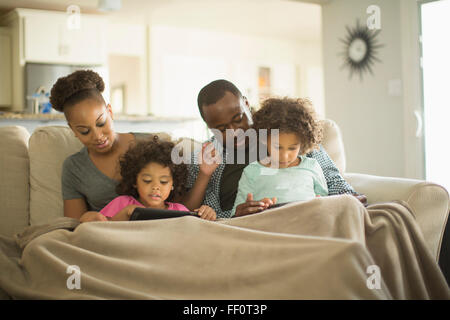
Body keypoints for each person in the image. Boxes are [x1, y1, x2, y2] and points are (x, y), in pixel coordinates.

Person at [182, 79, 367, 219]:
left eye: (238, 119)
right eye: (221, 129)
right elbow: (190, 213)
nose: (234, 132)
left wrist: (348, 198)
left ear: (246, 104)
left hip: (304, 216)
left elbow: (333, 180)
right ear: (208, 125)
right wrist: (235, 215)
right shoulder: (205, 157)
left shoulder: (285, 130)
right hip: (242, 229)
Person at [50, 70, 153, 223]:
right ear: (73, 130)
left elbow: (178, 207)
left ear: (110, 112)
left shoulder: (148, 145)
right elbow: (74, 227)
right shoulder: (74, 167)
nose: (97, 136)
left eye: (101, 123)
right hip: (105, 237)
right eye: (84, 131)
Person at [232, 97, 328, 216]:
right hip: (269, 225)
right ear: (263, 139)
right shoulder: (251, 171)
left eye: (292, 148)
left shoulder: (312, 166)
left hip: (306, 222)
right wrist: (248, 210)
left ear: (303, 144)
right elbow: (236, 213)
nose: (284, 156)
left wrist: (321, 203)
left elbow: (325, 202)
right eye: (277, 147)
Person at [100, 138, 216, 221]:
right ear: (135, 181)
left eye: (163, 182)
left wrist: (206, 214)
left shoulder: (179, 210)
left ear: (173, 184)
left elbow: (195, 232)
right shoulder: (122, 203)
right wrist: (126, 213)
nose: (156, 187)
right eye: (147, 180)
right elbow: (99, 229)